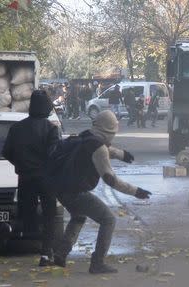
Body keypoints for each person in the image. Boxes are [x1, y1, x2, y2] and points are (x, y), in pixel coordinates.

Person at [52, 110, 152, 274]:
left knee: (78, 216)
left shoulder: (86, 135)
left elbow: (103, 148)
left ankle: (60, 254)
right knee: (108, 220)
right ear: (110, 132)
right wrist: (136, 191)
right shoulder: (99, 148)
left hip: (61, 188)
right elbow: (111, 180)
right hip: (76, 192)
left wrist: (121, 155)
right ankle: (97, 262)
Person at [2, 90, 60, 267]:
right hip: (46, 179)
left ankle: (23, 243)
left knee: (28, 213)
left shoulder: (17, 128)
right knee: (50, 215)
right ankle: (46, 253)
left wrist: (22, 165)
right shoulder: (51, 129)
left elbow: (7, 153)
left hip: (25, 178)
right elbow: (54, 155)